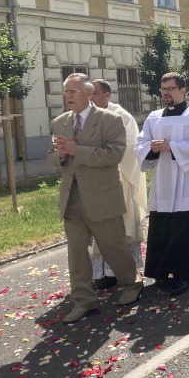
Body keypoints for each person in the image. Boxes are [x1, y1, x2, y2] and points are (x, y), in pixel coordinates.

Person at [47, 73, 143, 324]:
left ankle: (131, 284)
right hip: (73, 197)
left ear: (89, 93)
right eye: (66, 91)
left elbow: (114, 154)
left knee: (113, 245)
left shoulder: (110, 120)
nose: (68, 96)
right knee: (76, 251)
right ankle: (83, 300)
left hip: (102, 195)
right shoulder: (60, 122)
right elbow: (53, 158)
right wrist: (62, 156)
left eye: (73, 91)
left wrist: (78, 150)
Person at [135, 72, 189, 296]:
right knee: (164, 227)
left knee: (185, 230)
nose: (166, 93)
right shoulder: (154, 117)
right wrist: (152, 148)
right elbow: (140, 143)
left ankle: (183, 273)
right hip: (164, 183)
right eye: (163, 89)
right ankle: (162, 270)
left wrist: (173, 147)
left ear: (183, 90)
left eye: (170, 88)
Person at [87, 79, 148, 291]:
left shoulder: (121, 116)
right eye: (88, 93)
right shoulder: (86, 116)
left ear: (106, 95)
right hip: (93, 183)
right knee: (98, 229)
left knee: (118, 228)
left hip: (118, 180)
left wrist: (98, 156)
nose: (90, 97)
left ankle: (120, 272)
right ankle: (102, 272)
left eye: (94, 93)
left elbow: (129, 149)